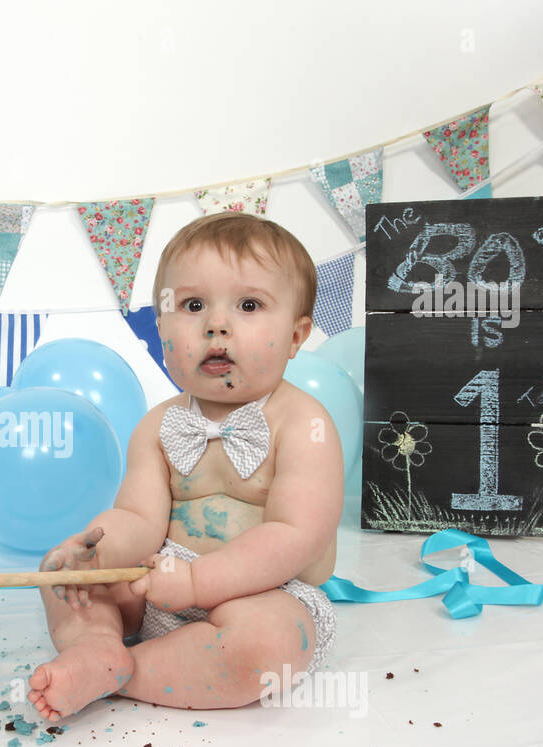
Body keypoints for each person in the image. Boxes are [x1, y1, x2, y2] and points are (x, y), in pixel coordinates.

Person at [28, 211, 341, 721]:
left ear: (295, 335)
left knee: (266, 648)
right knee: (62, 579)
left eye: (248, 305)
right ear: (160, 329)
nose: (216, 325)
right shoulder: (157, 425)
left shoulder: (304, 422)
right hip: (158, 581)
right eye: (193, 305)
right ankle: (97, 646)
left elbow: (295, 534)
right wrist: (93, 551)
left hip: (266, 590)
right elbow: (137, 519)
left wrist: (199, 584)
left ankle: (123, 670)